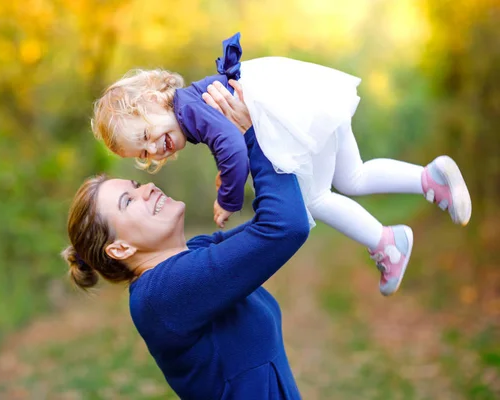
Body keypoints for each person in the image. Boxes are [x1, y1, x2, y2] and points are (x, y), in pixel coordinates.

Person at [90, 32, 472, 296]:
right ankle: (428, 179)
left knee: (316, 198)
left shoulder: (188, 110)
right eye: (143, 154)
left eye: (146, 136)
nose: (154, 149)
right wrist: (227, 168)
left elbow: (233, 148)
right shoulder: (192, 107)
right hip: (304, 101)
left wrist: (229, 198)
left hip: (289, 117)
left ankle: (387, 243)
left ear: (156, 100)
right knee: (353, 176)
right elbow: (229, 143)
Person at [63, 83, 309, 399]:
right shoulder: (162, 295)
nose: (147, 188)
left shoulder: (194, 252)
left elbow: (279, 216)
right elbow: (284, 226)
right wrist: (252, 135)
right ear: (120, 248)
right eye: (128, 201)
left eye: (136, 184)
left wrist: (234, 146)